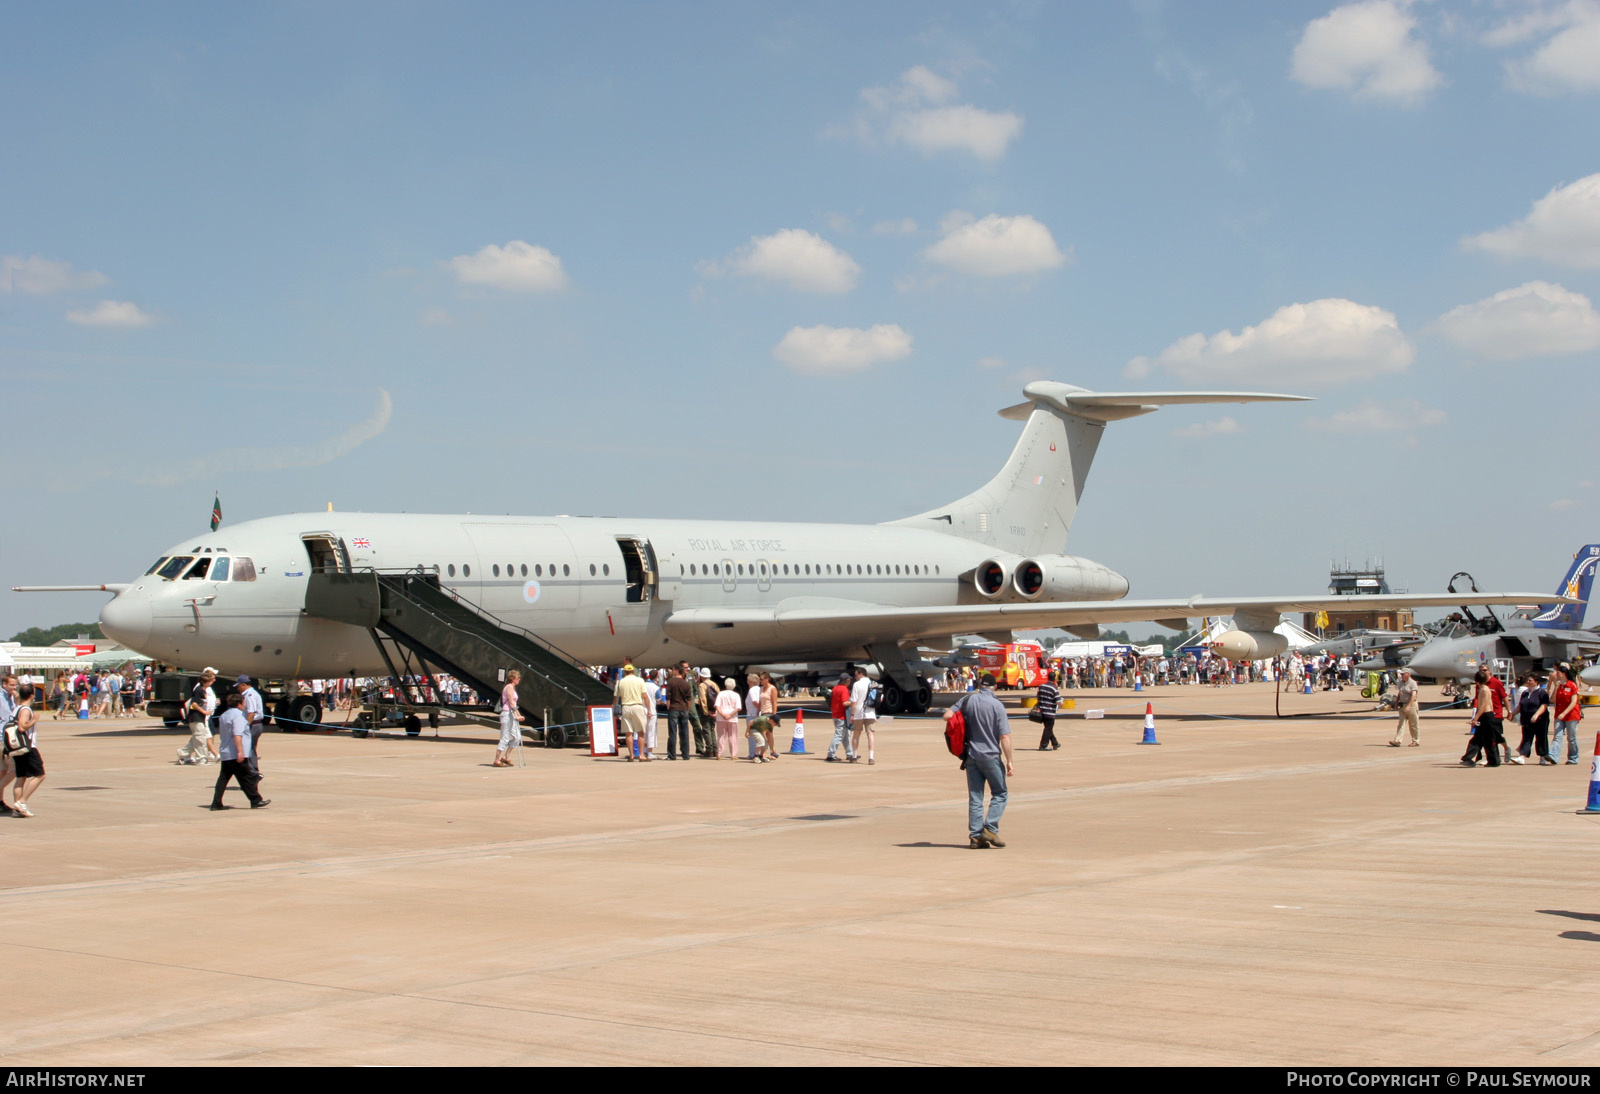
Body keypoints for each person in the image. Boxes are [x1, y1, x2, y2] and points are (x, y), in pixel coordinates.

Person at [945, 673, 1012, 848]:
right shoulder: (997, 705)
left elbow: (947, 715)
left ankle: (975, 836)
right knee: (1000, 793)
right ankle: (989, 828)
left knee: (976, 797)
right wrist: (1010, 760)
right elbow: (1004, 736)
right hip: (990, 756)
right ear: (994, 687)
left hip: (971, 756)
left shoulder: (968, 700)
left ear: (980, 686)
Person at [210, 693, 268, 810]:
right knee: (245, 777)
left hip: (226, 751)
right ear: (239, 704)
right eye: (243, 703)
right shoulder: (238, 716)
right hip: (235, 752)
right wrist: (240, 752)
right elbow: (237, 735)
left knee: (224, 778)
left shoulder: (224, 715)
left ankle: (216, 803)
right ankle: (255, 798)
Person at [8, 685, 43, 817]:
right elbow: (22, 727)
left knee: (21, 777)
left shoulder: (16, 708)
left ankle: (18, 808)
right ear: (32, 696)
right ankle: (22, 802)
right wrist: (34, 720)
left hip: (17, 747)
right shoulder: (26, 710)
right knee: (40, 774)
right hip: (27, 746)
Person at [177, 669, 219, 765]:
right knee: (200, 739)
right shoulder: (199, 690)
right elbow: (194, 704)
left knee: (197, 738)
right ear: (205, 681)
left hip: (200, 718)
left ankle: (182, 753)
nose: (213, 682)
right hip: (196, 718)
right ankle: (201, 759)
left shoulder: (203, 689)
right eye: (211, 680)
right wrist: (204, 711)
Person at [1461, 669, 1502, 768]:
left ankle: (1492, 760)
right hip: (1486, 715)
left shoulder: (1484, 689)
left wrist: (1476, 718)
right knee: (1483, 739)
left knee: (1485, 739)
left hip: (1486, 716)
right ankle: (1492, 760)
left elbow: (1484, 705)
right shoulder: (1483, 688)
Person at [1515, 672, 1552, 765]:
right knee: (1527, 737)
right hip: (1526, 719)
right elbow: (1521, 705)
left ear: (1536, 682)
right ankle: (1522, 756)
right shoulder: (1525, 692)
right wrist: (1512, 713)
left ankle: (1542, 756)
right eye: (1527, 680)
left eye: (1530, 680)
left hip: (1540, 720)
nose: (1528, 681)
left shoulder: (1542, 692)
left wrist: (1536, 715)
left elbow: (1544, 705)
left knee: (1541, 738)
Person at [615, 664, 650, 762]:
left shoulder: (620, 682)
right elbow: (645, 696)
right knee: (640, 733)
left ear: (625, 672)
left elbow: (617, 696)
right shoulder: (640, 680)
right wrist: (649, 708)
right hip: (637, 706)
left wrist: (614, 708)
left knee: (628, 733)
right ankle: (641, 755)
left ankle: (631, 755)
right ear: (633, 671)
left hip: (626, 706)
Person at [1551, 664, 1584, 765]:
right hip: (1559, 715)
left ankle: (1573, 758)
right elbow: (1552, 700)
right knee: (1557, 736)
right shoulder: (1559, 685)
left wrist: (1564, 713)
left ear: (1564, 674)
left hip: (1571, 716)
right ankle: (1553, 756)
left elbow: (1574, 702)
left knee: (1571, 738)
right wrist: (1556, 688)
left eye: (1558, 673)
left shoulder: (1572, 685)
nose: (1557, 674)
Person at [236, 675, 265, 777]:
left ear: (243, 685)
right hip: (255, 724)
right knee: (250, 749)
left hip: (253, 725)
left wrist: (245, 727)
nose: (238, 688)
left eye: (239, 686)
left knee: (247, 749)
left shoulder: (249, 695)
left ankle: (252, 773)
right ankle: (253, 772)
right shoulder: (251, 694)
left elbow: (251, 713)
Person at [494, 670, 523, 767]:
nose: (519, 679)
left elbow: (514, 705)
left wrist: (518, 715)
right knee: (505, 737)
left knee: (517, 737)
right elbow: (511, 703)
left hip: (512, 714)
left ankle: (506, 757)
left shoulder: (513, 688)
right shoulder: (509, 688)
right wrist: (517, 715)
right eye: (517, 678)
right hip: (506, 714)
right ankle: (497, 760)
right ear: (512, 679)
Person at [850, 666, 878, 765]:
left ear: (861, 674)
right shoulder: (874, 683)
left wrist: (852, 714)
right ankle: (871, 757)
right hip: (870, 712)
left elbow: (853, 701)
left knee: (856, 734)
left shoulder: (856, 685)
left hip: (858, 712)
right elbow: (880, 698)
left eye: (856, 675)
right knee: (870, 734)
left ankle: (854, 756)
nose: (855, 677)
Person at [0, 674, 19, 816]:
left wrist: (16, 698)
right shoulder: (1, 697)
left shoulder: (10, 697)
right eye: (12, 685)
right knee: (14, 769)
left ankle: (0, 801)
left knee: (3, 771)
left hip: (7, 737)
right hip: (2, 738)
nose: (14, 687)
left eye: (15, 685)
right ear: (4, 684)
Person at [825, 673, 855, 762]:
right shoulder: (844, 689)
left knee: (845, 737)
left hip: (835, 714)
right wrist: (854, 702)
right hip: (842, 716)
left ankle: (850, 754)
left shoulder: (835, 688)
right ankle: (831, 754)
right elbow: (845, 703)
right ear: (847, 681)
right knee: (839, 736)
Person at [665, 665, 693, 761]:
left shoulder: (670, 682)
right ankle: (685, 754)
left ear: (676, 671)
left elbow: (668, 697)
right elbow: (689, 699)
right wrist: (687, 709)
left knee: (672, 733)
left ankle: (672, 755)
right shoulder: (686, 684)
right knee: (684, 733)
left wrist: (668, 706)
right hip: (684, 709)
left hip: (674, 709)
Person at [1389, 667, 1420, 747]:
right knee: (1401, 723)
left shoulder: (1412, 683)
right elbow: (1400, 693)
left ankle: (1415, 741)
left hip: (1411, 705)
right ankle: (1397, 741)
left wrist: (1409, 706)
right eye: (1401, 674)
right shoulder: (1401, 683)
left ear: (1408, 674)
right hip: (1402, 704)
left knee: (1413, 724)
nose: (1401, 675)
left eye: (1403, 674)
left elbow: (1414, 695)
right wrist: (1397, 702)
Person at [713, 677, 742, 759]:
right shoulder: (736, 695)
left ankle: (719, 753)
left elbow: (717, 706)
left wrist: (723, 714)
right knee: (733, 736)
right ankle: (733, 754)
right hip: (732, 718)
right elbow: (738, 708)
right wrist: (730, 715)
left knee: (721, 736)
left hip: (721, 718)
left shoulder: (721, 694)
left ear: (725, 685)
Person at [694, 668, 719, 757]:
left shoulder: (702, 685)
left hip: (706, 710)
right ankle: (715, 749)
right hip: (714, 710)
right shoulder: (714, 684)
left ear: (702, 676)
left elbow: (703, 699)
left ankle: (709, 750)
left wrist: (705, 711)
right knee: (712, 729)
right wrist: (716, 710)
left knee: (706, 729)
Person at [1034, 675, 1061, 751]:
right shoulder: (1054, 688)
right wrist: (1061, 703)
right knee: (1048, 729)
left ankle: (1055, 743)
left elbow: (1038, 696)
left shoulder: (1041, 686)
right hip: (1050, 712)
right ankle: (1043, 745)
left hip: (1042, 711)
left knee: (1048, 728)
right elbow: (1058, 701)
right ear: (1055, 679)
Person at [758, 672, 780, 761]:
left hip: (769, 713)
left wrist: (773, 716)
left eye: (762, 679)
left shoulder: (772, 688)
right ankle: (773, 751)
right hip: (763, 713)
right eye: (760, 679)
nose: (761, 680)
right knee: (768, 733)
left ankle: (763, 753)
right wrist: (757, 712)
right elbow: (760, 702)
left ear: (767, 679)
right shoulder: (761, 689)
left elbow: (774, 702)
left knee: (763, 732)